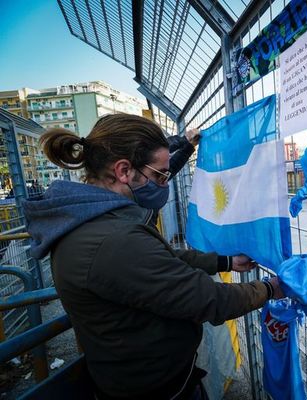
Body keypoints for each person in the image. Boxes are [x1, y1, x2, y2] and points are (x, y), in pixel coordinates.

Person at [22, 114, 283, 399]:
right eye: (159, 175)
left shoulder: (92, 221)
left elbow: (164, 260)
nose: (162, 184)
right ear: (123, 171)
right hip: (155, 389)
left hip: (132, 376)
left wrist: (226, 262)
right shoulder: (113, 240)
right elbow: (208, 299)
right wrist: (270, 288)